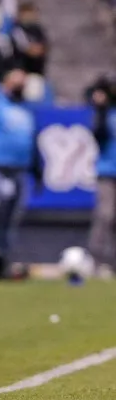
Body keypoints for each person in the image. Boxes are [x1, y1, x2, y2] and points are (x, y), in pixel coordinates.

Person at [0, 67, 42, 276]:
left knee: (12, 219)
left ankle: (5, 259)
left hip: (20, 170)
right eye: (16, 80)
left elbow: (32, 142)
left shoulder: (26, 110)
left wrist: (38, 170)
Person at [88, 75, 116, 274]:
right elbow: (97, 133)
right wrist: (100, 107)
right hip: (108, 171)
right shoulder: (106, 114)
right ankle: (97, 260)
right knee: (105, 216)